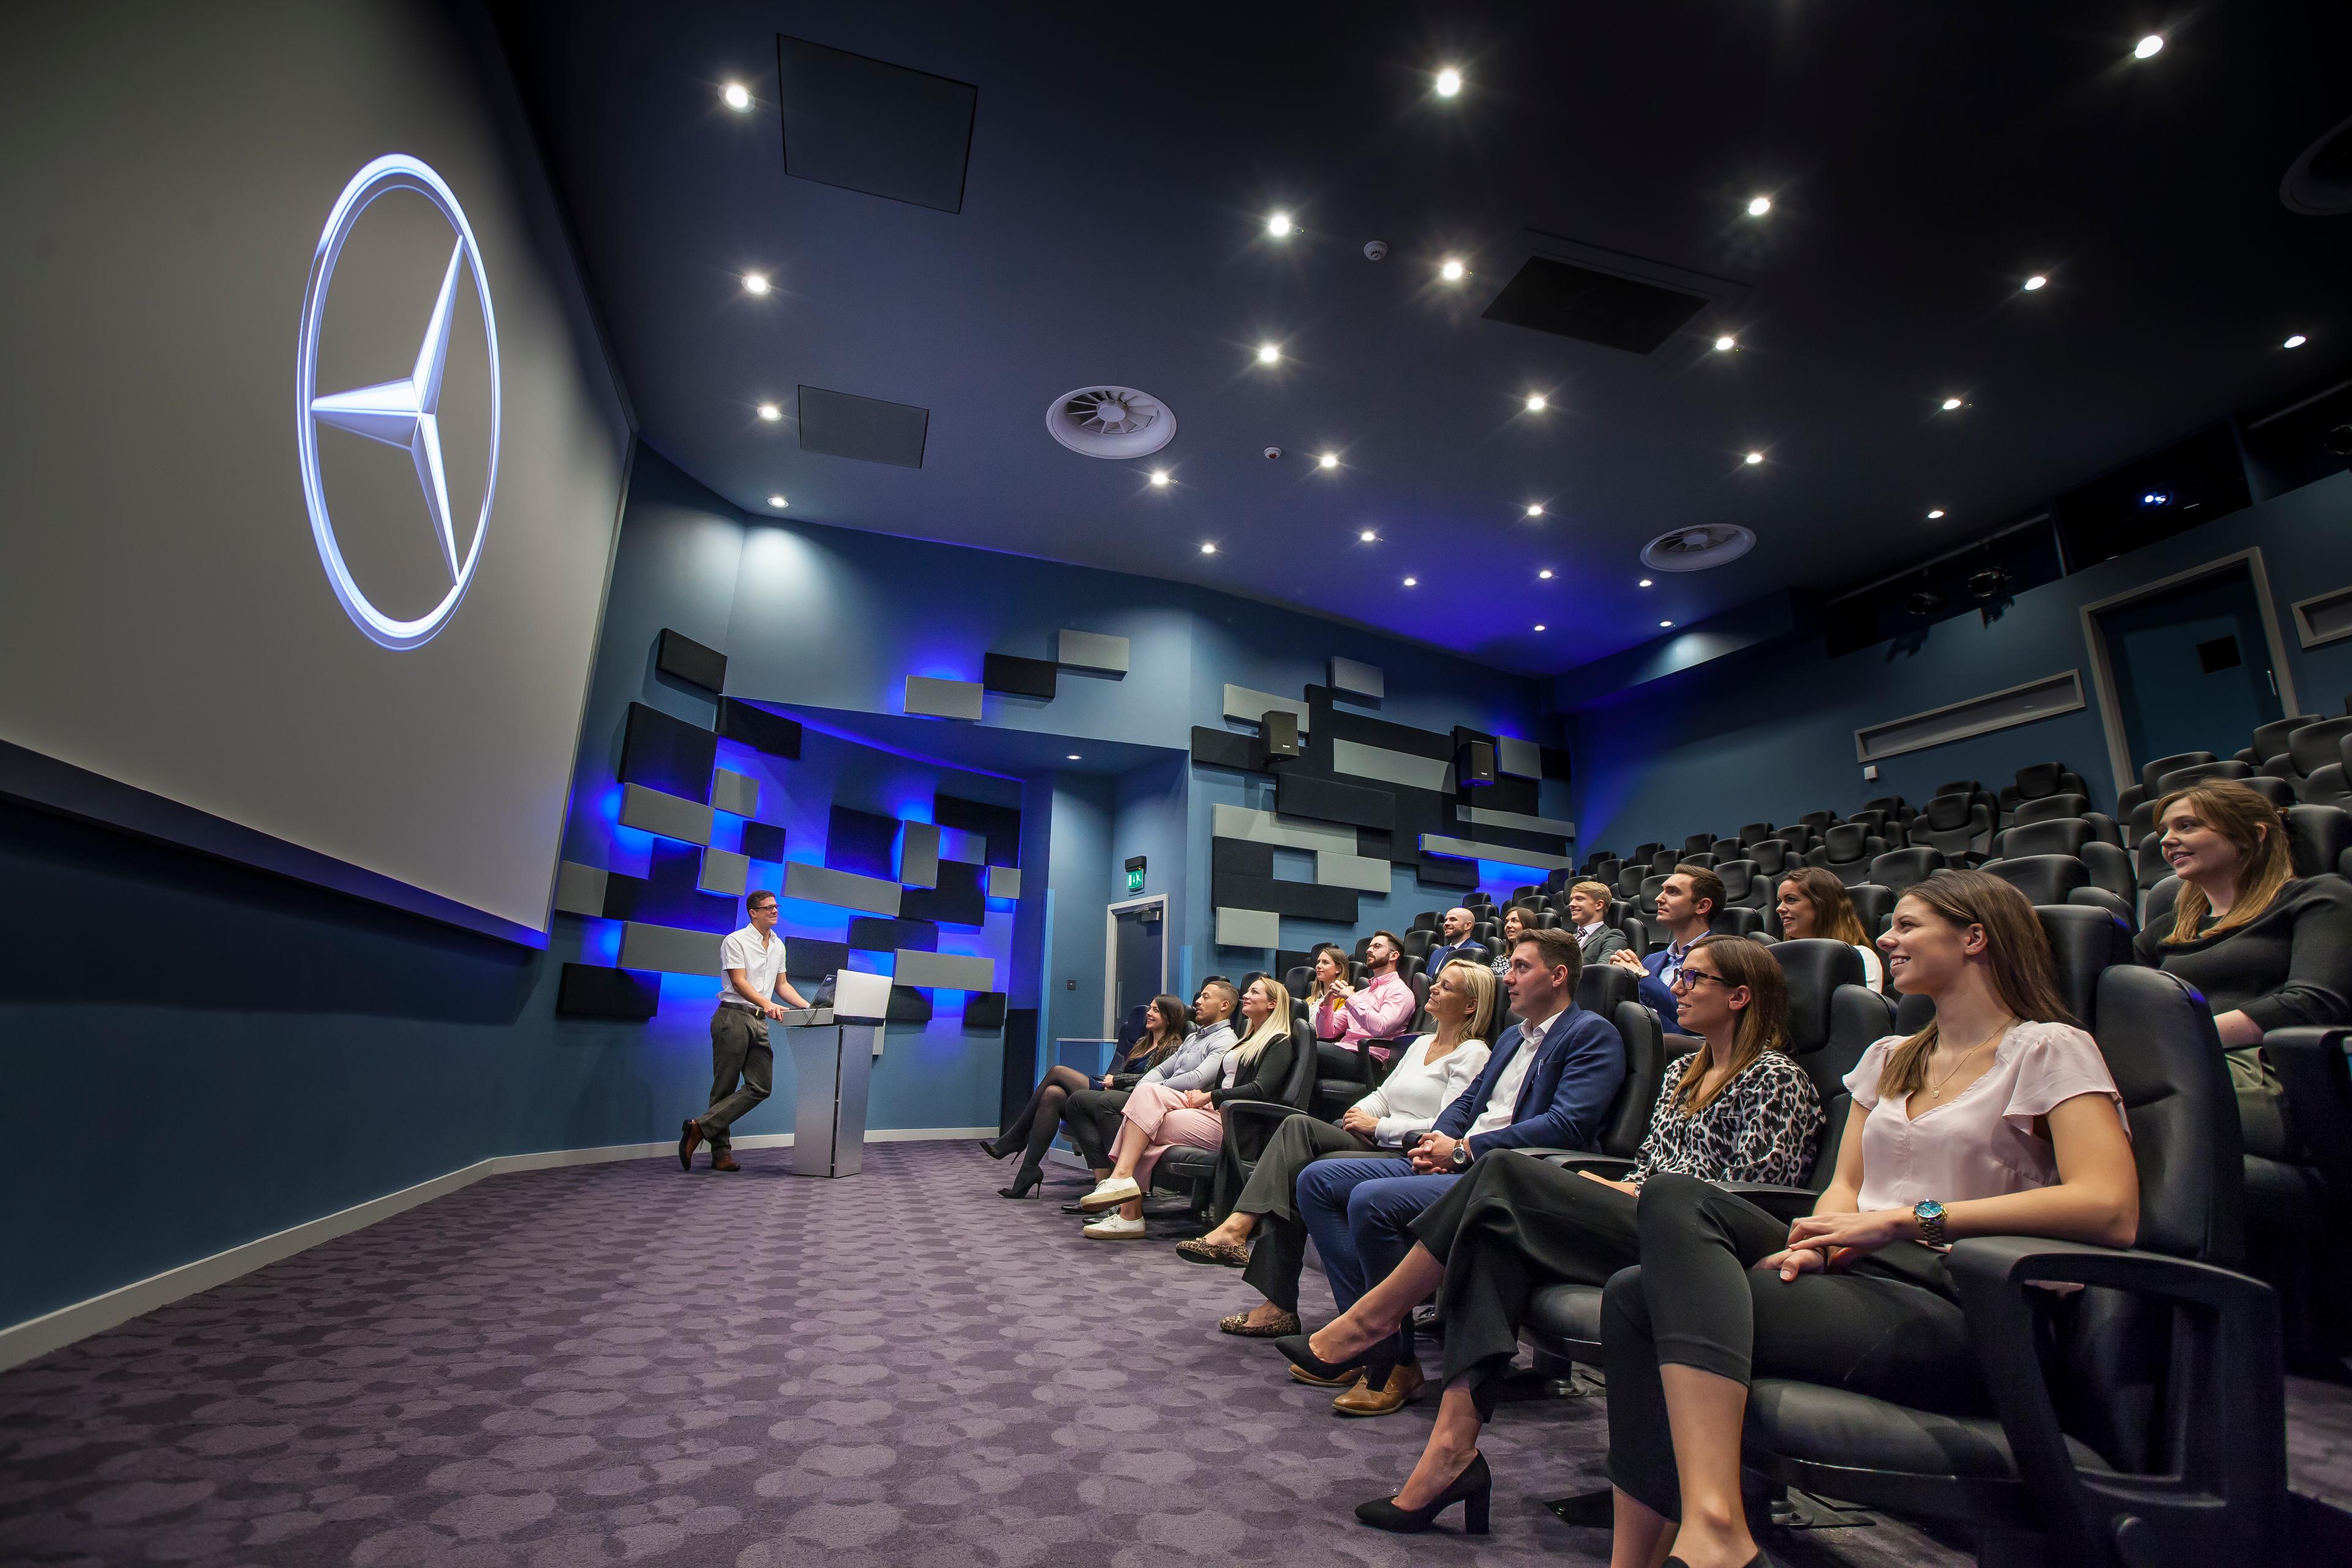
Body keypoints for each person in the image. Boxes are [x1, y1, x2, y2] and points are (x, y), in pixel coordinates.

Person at [1596, 870, 2137, 1568]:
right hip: (1863, 1277)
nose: (1887, 938)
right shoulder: (1887, 1057)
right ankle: (1671, 1546)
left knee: (1646, 1291)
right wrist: (1822, 1242)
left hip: (1967, 1303)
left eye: (1908, 926)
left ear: (1974, 937)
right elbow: (1843, 1187)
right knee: (1653, 1245)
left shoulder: (2049, 1048)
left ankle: (1715, 1532)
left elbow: (2110, 1206)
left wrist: (1912, 1220)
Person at [1313, 935, 1823, 1533]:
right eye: (1680, 975)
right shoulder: (1684, 1071)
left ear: (1739, 996)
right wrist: (1612, 1191)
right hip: (1642, 1214)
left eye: (1694, 978)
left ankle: (1376, 1320)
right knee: (1493, 1233)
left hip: (1703, 1248)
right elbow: (1645, 1170)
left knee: (1503, 1172)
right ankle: (1450, 1453)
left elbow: (1751, 1199)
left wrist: (1614, 1192)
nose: (1676, 986)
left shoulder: (1777, 1078)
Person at [1267, 927, 1628, 1416]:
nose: (1510, 980)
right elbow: (1466, 1102)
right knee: (1317, 1180)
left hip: (1511, 1178)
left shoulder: (1591, 1034)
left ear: (1559, 975)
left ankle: (1390, 1360)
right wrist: (1438, 1139)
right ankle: (1372, 1342)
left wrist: (1463, 1149)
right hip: (1464, 1160)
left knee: (1372, 1201)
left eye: (1522, 968)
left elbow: (1565, 1125)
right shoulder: (1509, 1038)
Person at [1174, 960, 1499, 1300]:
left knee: (1296, 1169)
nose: (1433, 988)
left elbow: (1446, 1125)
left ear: (1470, 1005)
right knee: (1296, 1126)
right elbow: (1383, 1095)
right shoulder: (1420, 1044)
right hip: (1375, 1139)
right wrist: (1360, 1111)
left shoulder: (1474, 1054)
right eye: (1437, 981)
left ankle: (1263, 1275)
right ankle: (1242, 1235)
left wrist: (1379, 1126)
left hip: (1408, 1151)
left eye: (1446, 987)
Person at [2135, 780, 2352, 1159]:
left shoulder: (2319, 897)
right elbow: (2126, 1013)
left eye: (2187, 826)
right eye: (2163, 832)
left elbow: (2313, 1003)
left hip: (2269, 1077)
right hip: (2181, 1069)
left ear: (2252, 835)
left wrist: (2185, 1041)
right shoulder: (2162, 932)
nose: (2167, 841)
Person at [1077, 978, 1297, 1238]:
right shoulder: (1248, 1039)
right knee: (1144, 1111)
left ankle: (1127, 1205)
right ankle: (1126, 1200)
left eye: (1254, 992)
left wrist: (1209, 1097)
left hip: (1234, 1124)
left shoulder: (1280, 1041)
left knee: (1143, 1122)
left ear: (1272, 1004)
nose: (1246, 995)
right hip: (1214, 1113)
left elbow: (1261, 1091)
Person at [980, 992, 1188, 1199]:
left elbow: (1153, 1081)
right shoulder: (1143, 1042)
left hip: (1128, 1099)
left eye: (1156, 1011)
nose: (1149, 1014)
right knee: (1053, 1094)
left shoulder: (1173, 1048)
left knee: (1058, 1072)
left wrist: (1116, 1081)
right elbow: (1122, 1072)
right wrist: (1114, 1080)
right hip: (1109, 1092)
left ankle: (1016, 1137)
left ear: (1170, 1017)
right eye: (1150, 1009)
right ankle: (1029, 1170)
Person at [1056, 981, 1239, 1207]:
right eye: (1199, 997)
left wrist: (1152, 1089)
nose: (1198, 1002)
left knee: (1106, 1102)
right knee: (1076, 1101)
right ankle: (1108, 1186)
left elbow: (1198, 1079)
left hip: (1187, 1103)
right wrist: (1145, 1087)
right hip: (1162, 1097)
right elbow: (1161, 1070)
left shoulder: (1226, 1040)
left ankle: (1122, 1190)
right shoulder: (1193, 1038)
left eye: (1206, 997)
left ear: (1224, 1005)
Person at [678, 889, 810, 1173]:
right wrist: (767, 1004)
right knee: (723, 1088)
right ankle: (721, 1155)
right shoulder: (735, 941)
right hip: (732, 1017)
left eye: (777, 907)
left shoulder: (778, 945)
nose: (775, 911)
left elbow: (782, 986)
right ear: (753, 912)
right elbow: (739, 983)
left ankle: (700, 1127)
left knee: (761, 1087)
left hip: (759, 1020)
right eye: (769, 908)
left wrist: (810, 1008)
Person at [1610, 864, 1724, 1023]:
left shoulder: (1720, 956)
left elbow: (1692, 1017)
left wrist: (1641, 976)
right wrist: (1620, 982)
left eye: (1673, 892)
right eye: (1663, 890)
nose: (1658, 898)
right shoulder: (1651, 960)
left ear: (1702, 906)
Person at [1775, 867, 1887, 988]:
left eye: (1791, 899)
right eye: (1780, 901)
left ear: (1822, 905)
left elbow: (1865, 1006)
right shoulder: (1781, 964)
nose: (1779, 908)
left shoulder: (1860, 957)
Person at [1325, 931, 1417, 1050]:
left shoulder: (1400, 992)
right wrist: (1327, 1004)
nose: (1369, 950)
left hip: (1369, 1057)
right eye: (1369, 947)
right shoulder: (1362, 994)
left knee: (1308, 1053)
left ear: (1393, 956)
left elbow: (1380, 1028)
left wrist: (1351, 998)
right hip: (1345, 1050)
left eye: (1377, 946)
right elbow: (1327, 1033)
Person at [1566, 880, 1629, 965]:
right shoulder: (1568, 939)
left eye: (1580, 899)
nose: (1571, 904)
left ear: (1599, 905)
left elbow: (1602, 972)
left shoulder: (1613, 937)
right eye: (1571, 900)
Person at [1305, 943, 1353, 1042]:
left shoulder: (1345, 999)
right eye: (1319, 962)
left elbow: (1333, 1031)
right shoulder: (1311, 999)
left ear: (1338, 969)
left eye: (1325, 963)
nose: (1318, 966)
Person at [1426, 907, 1483, 975]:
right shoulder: (1437, 953)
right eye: (1446, 920)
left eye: (1453, 920)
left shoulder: (1476, 951)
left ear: (1467, 925)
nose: (1446, 924)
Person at [1487, 907, 1529, 978]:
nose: (1508, 926)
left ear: (1528, 925)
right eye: (1506, 922)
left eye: (1515, 921)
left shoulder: (1536, 959)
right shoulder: (1500, 959)